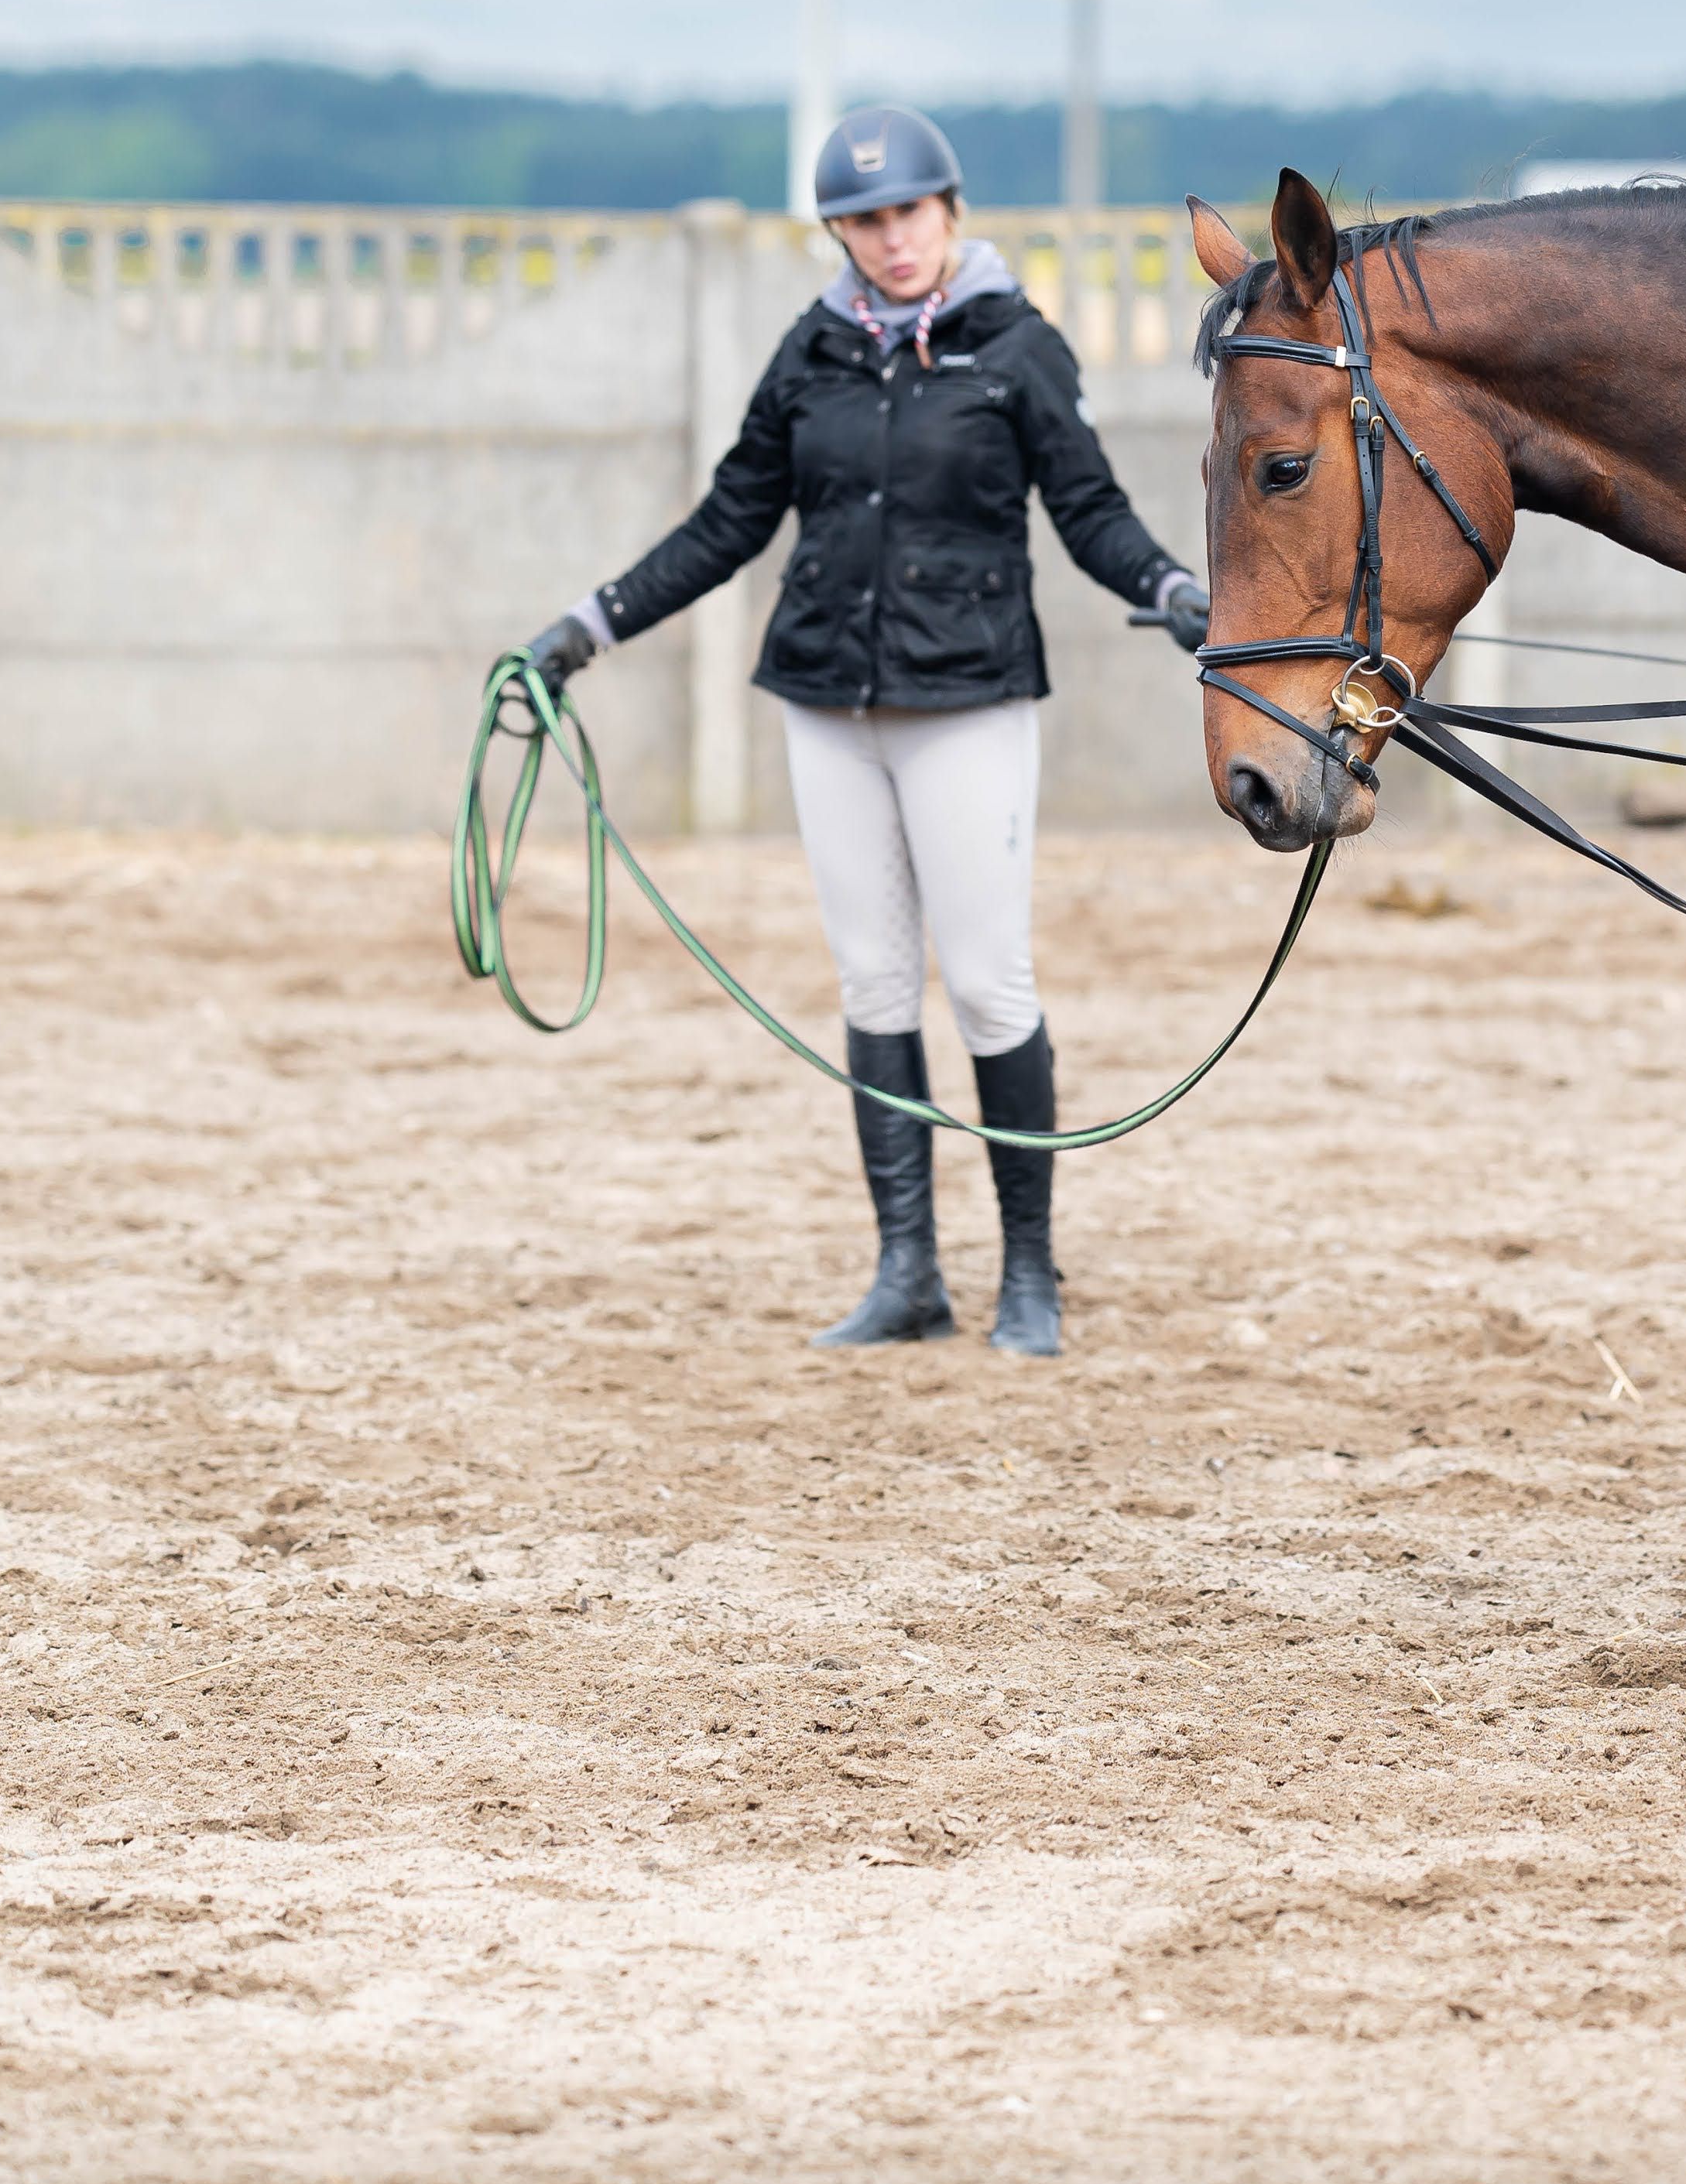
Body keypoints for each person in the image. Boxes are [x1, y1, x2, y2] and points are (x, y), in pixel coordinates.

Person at [516, 103, 1205, 1358]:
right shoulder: (813, 351)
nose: (892, 240)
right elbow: (730, 521)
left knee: (989, 986)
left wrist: (1169, 590)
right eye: (866, 221)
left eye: (909, 214)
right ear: (842, 232)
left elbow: (1090, 510)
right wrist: (590, 626)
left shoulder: (1018, 349)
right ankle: (908, 1274)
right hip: (828, 702)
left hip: (970, 704)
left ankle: (1030, 1278)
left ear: (951, 214)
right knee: (876, 984)